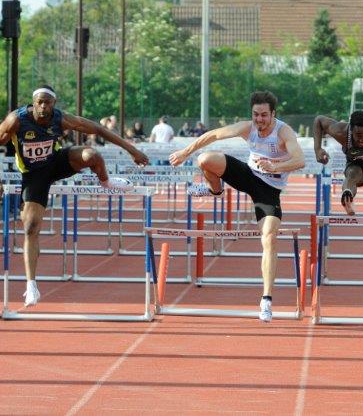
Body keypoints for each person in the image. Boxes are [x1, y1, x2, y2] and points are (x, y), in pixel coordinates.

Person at [0, 86, 148, 306]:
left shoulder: (60, 119)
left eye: (47, 102)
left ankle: (106, 182)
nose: (43, 107)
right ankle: (31, 285)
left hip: (58, 162)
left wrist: (132, 150)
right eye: (39, 102)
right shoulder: (17, 120)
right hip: (34, 174)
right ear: (33, 102)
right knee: (31, 226)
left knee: (92, 155)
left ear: (54, 104)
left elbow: (98, 129)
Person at [169, 91, 305, 323]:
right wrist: (185, 152)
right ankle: (215, 190)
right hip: (247, 174)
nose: (259, 120)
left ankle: (266, 299)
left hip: (268, 189)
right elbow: (213, 135)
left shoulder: (284, 132)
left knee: (269, 237)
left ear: (273, 114)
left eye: (264, 115)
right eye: (255, 115)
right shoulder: (247, 127)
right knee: (205, 159)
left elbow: (300, 160)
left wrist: (274, 166)